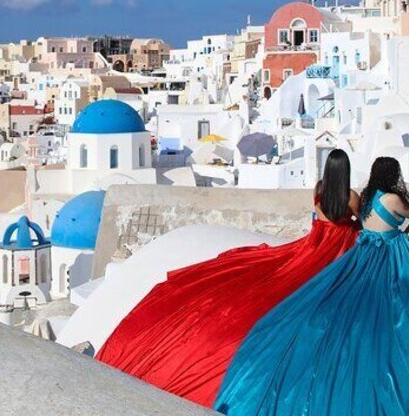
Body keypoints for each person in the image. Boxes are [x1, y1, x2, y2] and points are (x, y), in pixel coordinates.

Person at [215, 156, 409, 415]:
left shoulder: (361, 194)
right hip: (386, 249)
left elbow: (355, 222)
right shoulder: (387, 197)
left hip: (356, 246)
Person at [95, 149, 361, 408]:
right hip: (341, 247)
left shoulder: (318, 191)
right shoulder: (351, 197)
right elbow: (357, 223)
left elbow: (318, 218)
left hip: (313, 245)